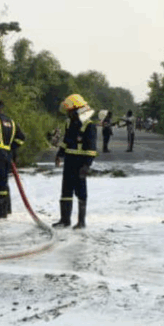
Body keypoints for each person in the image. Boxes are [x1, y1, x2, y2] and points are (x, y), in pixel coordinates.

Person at [53, 93, 97, 229]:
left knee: (81, 191)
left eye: (70, 111)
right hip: (69, 162)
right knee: (66, 190)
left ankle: (81, 222)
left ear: (78, 109)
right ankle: (65, 220)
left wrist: (86, 165)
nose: (68, 113)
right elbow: (66, 142)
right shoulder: (69, 123)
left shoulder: (89, 125)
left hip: (80, 163)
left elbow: (91, 149)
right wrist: (59, 155)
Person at [0, 100, 25, 219]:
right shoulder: (11, 122)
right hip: (8, 155)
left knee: (0, 183)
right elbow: (21, 138)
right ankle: (7, 209)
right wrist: (11, 148)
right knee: (5, 182)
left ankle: (1, 213)